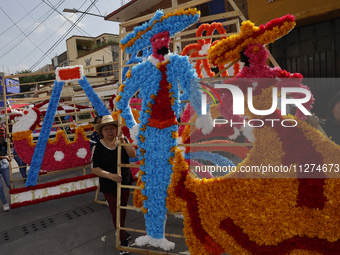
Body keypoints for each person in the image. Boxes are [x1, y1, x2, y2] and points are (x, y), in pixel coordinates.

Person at [91, 115, 136, 254]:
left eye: (112, 128)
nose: (109, 131)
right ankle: (122, 242)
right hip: (109, 185)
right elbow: (95, 168)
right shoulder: (98, 147)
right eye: (106, 129)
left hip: (125, 181)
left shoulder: (123, 140)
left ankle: (120, 230)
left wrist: (124, 142)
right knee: (115, 211)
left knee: (122, 209)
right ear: (101, 132)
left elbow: (133, 154)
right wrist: (111, 176)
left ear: (116, 130)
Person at [0, 140, 12, 212]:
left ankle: (15, 197)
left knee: (9, 183)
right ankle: (4, 203)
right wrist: (4, 157)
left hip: (3, 164)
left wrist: (9, 140)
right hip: (3, 159)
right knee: (0, 187)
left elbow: (9, 145)